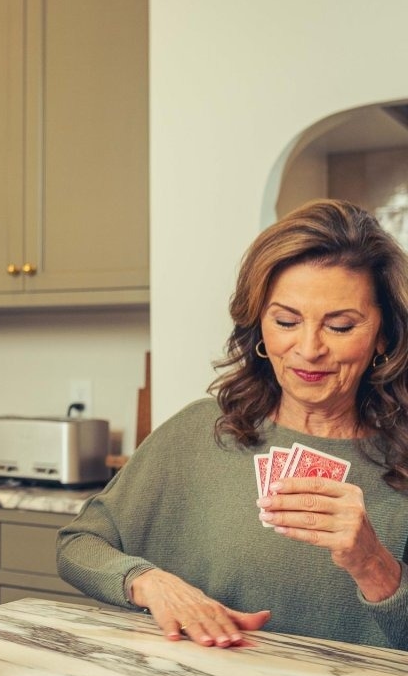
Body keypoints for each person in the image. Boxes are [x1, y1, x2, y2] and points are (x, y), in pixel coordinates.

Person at [57, 199, 408, 650]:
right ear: (259, 325)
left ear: (384, 335)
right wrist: (148, 581)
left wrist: (373, 565)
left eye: (340, 326)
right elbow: (78, 544)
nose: (309, 347)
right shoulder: (203, 431)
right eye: (286, 321)